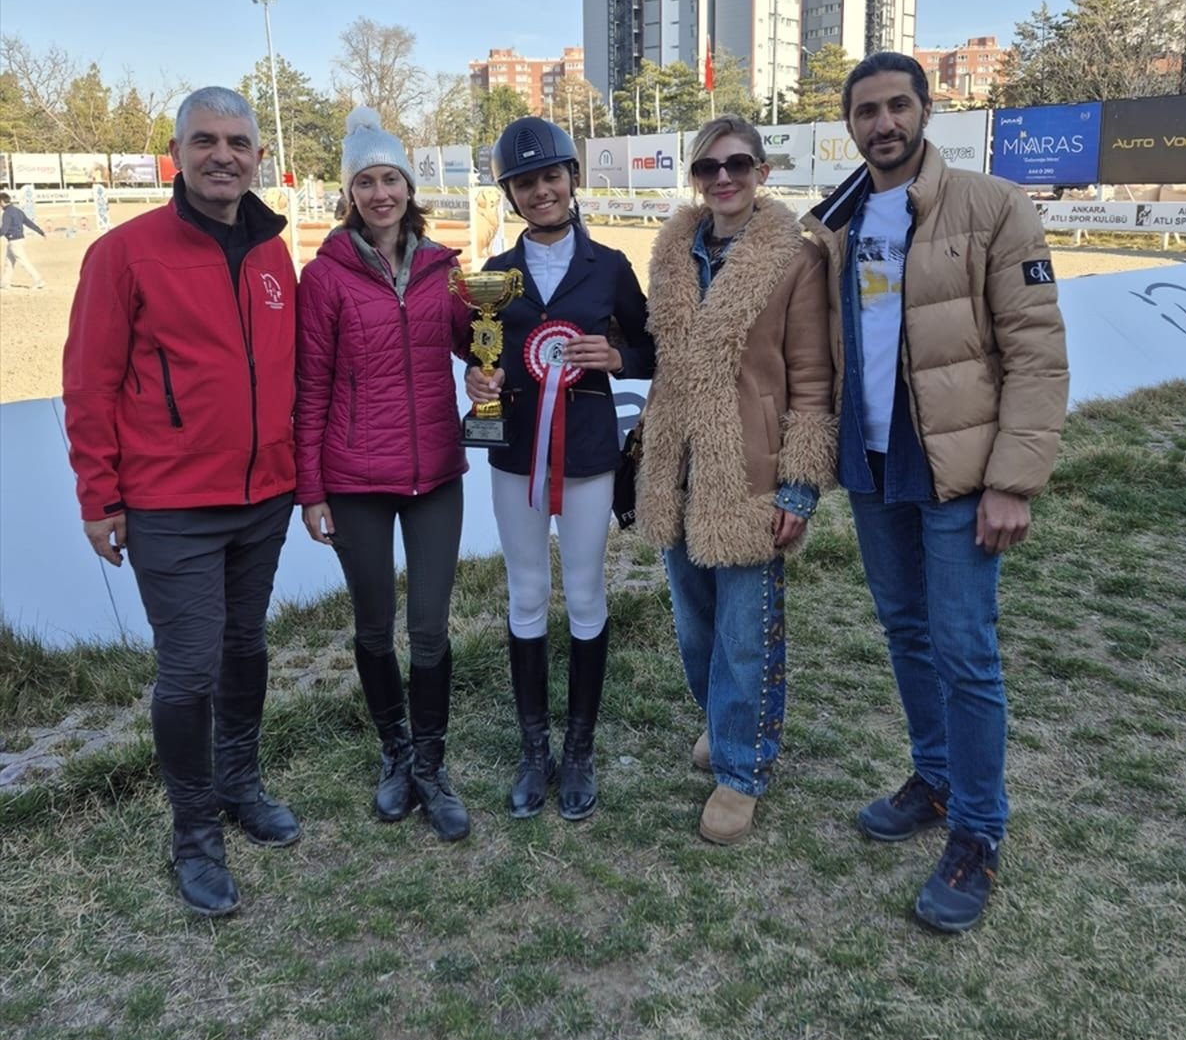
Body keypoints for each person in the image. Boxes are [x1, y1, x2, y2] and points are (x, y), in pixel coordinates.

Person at [805, 52, 1068, 933]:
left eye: (898, 106)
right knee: (907, 631)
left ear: (927, 111)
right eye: (866, 111)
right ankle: (936, 777)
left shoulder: (992, 207)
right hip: (876, 466)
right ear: (849, 125)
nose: (883, 123)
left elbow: (1036, 354)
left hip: (960, 471)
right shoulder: (838, 220)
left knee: (965, 649)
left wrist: (1012, 481)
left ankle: (980, 832)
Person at [62, 87, 300, 918]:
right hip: (170, 504)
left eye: (238, 141)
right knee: (190, 668)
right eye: (205, 140)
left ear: (259, 157)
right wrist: (100, 495)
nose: (222, 155)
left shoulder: (275, 252)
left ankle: (239, 784)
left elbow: (286, 373)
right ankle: (195, 834)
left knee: (246, 649)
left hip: (264, 496)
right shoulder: (123, 253)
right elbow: (89, 384)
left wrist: (297, 473)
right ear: (177, 152)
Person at [638, 116, 836, 846]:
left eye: (739, 164)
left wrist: (799, 485)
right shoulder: (670, 255)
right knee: (697, 634)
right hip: (677, 468)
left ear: (760, 170)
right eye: (708, 167)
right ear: (694, 177)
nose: (724, 178)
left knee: (745, 636)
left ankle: (743, 768)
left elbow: (813, 380)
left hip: (751, 474)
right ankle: (725, 725)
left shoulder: (795, 261)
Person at [465, 117, 654, 822]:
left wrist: (619, 360)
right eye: (524, 181)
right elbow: (479, 357)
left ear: (572, 179)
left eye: (551, 175)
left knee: (582, 593)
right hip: (515, 453)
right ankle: (532, 748)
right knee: (524, 592)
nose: (540, 190)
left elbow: (648, 346)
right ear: (510, 194)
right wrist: (477, 385)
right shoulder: (489, 278)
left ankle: (578, 749)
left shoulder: (609, 266)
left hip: (587, 452)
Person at [296, 108, 473, 843]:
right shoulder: (324, 276)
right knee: (375, 628)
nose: (379, 193)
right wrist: (310, 491)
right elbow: (309, 388)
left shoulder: (443, 268)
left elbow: (474, 345)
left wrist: (491, 367)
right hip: (354, 481)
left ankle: (431, 763)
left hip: (435, 473)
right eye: (364, 181)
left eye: (390, 178)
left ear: (409, 185)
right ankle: (394, 752)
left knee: (429, 629)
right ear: (349, 193)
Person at [1, 190, 47, 290]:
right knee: (9, 262)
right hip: (19, 239)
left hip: (14, 241)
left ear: (2, 202)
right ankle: (5, 282)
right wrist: (41, 232)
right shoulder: (18, 211)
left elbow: (4, 229)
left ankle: (38, 280)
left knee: (24, 262)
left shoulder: (7, 213)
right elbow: (29, 223)